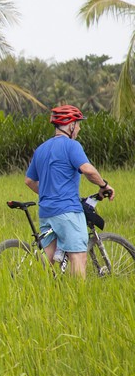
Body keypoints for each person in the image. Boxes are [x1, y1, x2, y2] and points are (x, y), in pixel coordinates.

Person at [24, 105, 115, 278]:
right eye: (78, 124)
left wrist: (48, 193)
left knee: (47, 259)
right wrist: (104, 185)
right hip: (68, 211)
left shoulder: (41, 149)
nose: (79, 128)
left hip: (46, 212)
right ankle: (77, 297)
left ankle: (41, 291)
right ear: (70, 125)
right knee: (78, 256)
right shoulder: (72, 146)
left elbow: (29, 181)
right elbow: (87, 170)